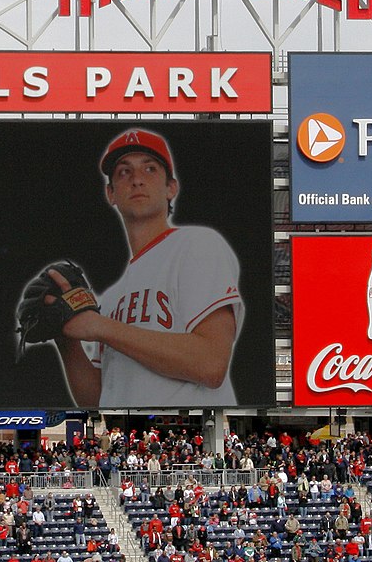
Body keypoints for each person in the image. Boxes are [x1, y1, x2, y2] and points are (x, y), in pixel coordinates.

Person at [49, 128, 245, 408]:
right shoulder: (114, 295)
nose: (137, 180)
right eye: (124, 172)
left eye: (150, 169)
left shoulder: (197, 244)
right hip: (127, 431)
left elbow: (210, 364)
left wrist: (101, 326)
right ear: (110, 193)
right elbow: (99, 398)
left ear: (171, 188)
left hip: (188, 431)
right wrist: (65, 336)